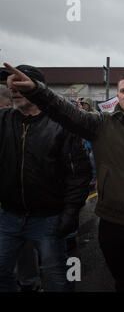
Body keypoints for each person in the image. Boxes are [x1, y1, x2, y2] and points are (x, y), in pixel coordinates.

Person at [3, 62, 124, 292]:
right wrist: (36, 90)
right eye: (123, 90)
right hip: (112, 221)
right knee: (123, 278)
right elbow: (64, 111)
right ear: (118, 95)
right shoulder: (100, 124)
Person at [0, 64, 92, 292]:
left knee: (59, 279)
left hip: (48, 220)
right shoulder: (3, 121)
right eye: (10, 85)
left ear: (37, 88)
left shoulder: (62, 125)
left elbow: (79, 173)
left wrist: (71, 212)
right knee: (2, 273)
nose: (13, 89)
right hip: (9, 217)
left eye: (20, 84)